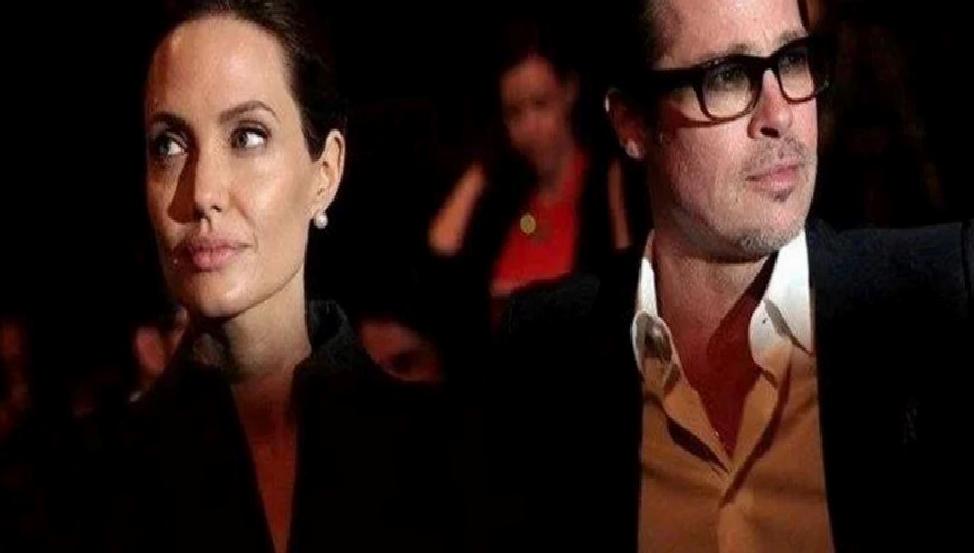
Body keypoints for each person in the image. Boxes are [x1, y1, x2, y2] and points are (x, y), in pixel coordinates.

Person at [484, 0, 973, 551]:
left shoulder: (945, 298)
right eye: (727, 77)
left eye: (793, 60)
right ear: (632, 123)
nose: (779, 114)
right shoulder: (546, 348)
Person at [13, 1, 463, 551]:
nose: (202, 192)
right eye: (169, 145)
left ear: (325, 172)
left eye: (248, 136)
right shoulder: (74, 490)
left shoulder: (452, 457)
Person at [429, 19, 638, 308]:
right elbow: (439, 261)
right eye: (514, 113)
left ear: (568, 92)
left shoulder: (606, 182)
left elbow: (628, 290)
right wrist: (478, 173)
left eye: (541, 104)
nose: (530, 127)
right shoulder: (505, 199)